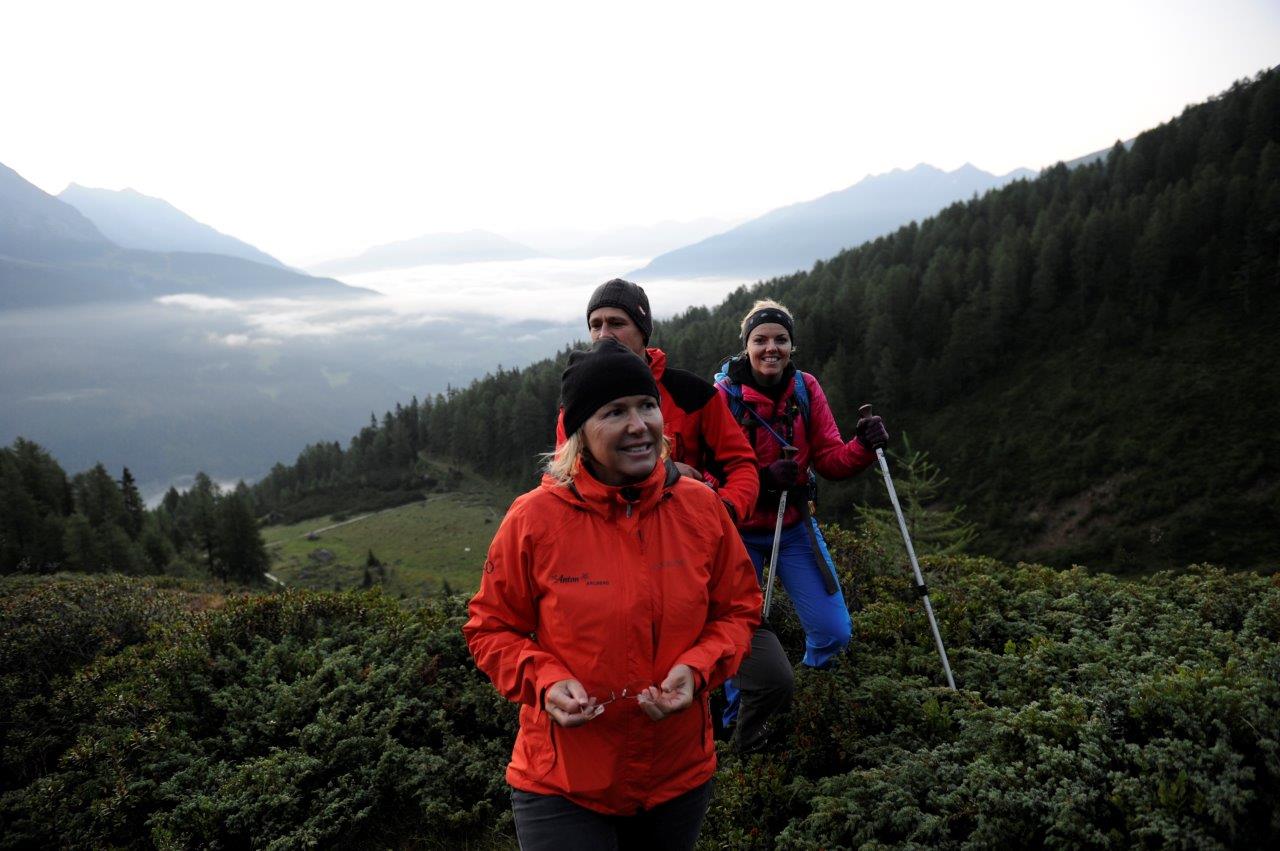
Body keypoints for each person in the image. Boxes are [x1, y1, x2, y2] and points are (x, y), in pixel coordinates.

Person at [465, 339, 762, 851]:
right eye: (615, 412)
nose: (639, 424)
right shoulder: (534, 519)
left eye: (647, 406)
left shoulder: (700, 508)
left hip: (677, 778)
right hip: (561, 783)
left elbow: (738, 611)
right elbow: (492, 629)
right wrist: (546, 681)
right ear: (579, 431)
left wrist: (696, 670)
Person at [556, 278, 793, 754]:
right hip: (611, 569)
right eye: (595, 325)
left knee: (770, 677)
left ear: (643, 329)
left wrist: (720, 512)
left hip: (693, 562)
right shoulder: (578, 401)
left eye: (617, 323)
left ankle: (741, 761)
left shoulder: (690, 393)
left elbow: (741, 464)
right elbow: (570, 480)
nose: (604, 334)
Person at [716, 299, 889, 725]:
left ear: (792, 345)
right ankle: (739, 716)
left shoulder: (804, 389)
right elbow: (706, 474)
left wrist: (863, 446)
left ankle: (804, 699)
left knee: (834, 632)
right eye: (761, 340)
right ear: (746, 346)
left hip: (793, 526)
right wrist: (760, 477)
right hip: (735, 531)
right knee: (736, 634)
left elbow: (830, 457)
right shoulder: (722, 398)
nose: (770, 348)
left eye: (780, 339)